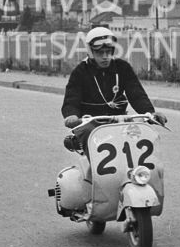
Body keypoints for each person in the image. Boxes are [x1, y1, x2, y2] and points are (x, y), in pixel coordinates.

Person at [61, 26, 166, 154]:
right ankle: (91, 171)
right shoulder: (81, 71)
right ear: (90, 51)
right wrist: (71, 115)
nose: (105, 56)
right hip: (90, 121)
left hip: (119, 120)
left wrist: (150, 112)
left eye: (108, 52)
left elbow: (136, 93)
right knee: (91, 140)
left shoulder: (122, 67)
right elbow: (72, 98)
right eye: (100, 53)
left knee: (137, 135)